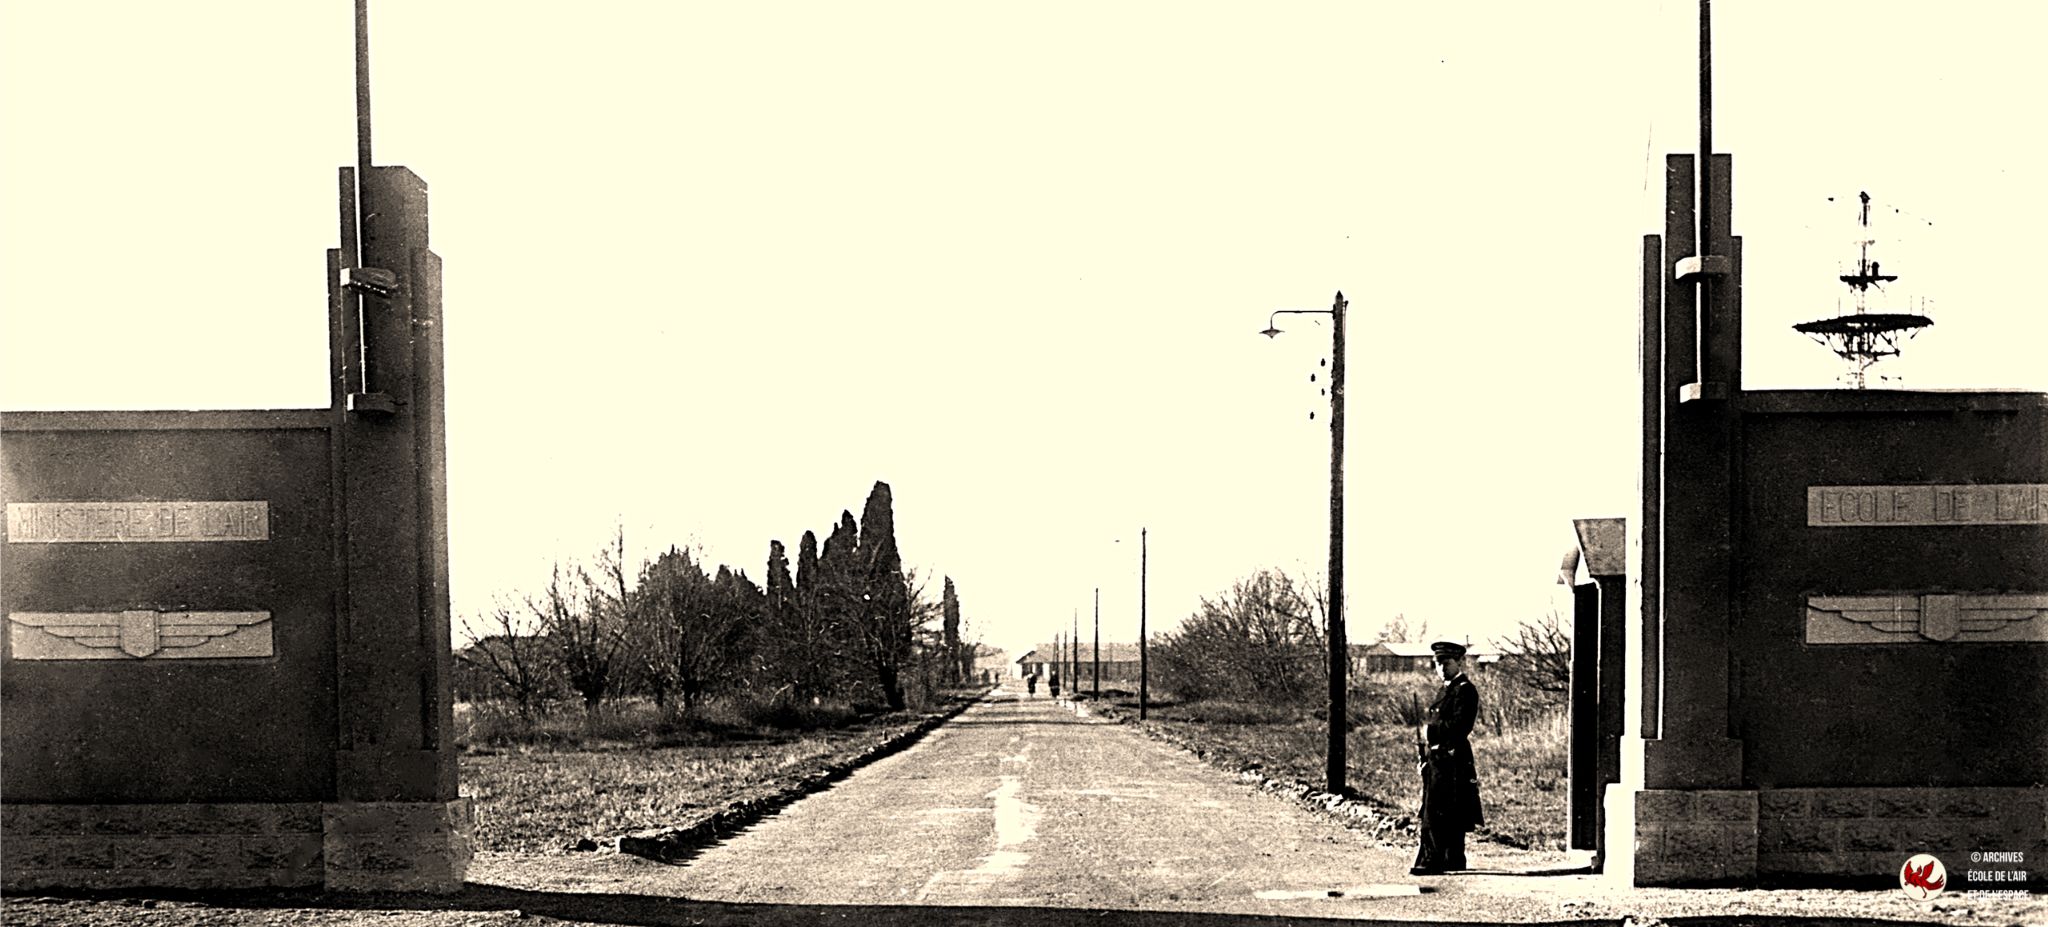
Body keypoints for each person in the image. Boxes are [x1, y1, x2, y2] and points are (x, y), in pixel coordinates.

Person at [1411, 640, 1483, 875]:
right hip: (1439, 758)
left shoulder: (1465, 690)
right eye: (1438, 664)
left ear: (1459, 662)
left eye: (1446, 663)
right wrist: (1426, 756)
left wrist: (1430, 731)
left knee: (1440, 810)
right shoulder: (1446, 689)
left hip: (1453, 759)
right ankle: (1451, 858)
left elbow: (1461, 726)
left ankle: (1433, 861)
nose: (1441, 668)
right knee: (1444, 808)